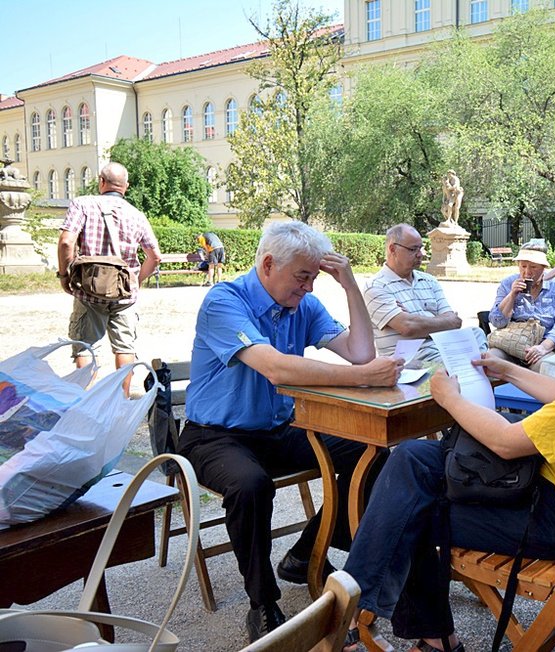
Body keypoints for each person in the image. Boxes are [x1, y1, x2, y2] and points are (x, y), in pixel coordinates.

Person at [341, 228, 555, 652]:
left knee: (413, 507)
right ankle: (365, 614)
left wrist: (448, 398)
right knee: (412, 459)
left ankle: (367, 621)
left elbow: (506, 442)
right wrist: (511, 372)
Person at [176, 222, 404, 643]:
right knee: (249, 484)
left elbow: (361, 353)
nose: (310, 287)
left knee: (372, 451)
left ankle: (305, 554)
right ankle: (262, 602)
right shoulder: (224, 300)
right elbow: (277, 368)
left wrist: (351, 285)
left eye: (315, 276)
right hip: (213, 435)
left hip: (279, 430)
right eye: (303, 276)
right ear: (267, 264)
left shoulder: (303, 305)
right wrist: (361, 379)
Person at [56, 162, 161, 397]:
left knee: (85, 347)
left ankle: (86, 402)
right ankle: (120, 401)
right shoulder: (137, 215)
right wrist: (135, 281)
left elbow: (66, 242)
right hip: (124, 294)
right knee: (124, 347)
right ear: (126, 186)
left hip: (88, 291)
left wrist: (65, 275)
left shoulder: (82, 204)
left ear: (101, 182)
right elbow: (155, 257)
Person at [364, 223, 486, 367]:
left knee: (476, 333)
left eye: (421, 248)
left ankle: (478, 371)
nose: (420, 254)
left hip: (442, 345)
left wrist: (415, 322)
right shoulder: (376, 286)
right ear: (393, 249)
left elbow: (455, 322)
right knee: (474, 363)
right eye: (413, 249)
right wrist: (434, 322)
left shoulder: (429, 280)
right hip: (411, 357)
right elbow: (408, 327)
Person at [487, 239, 555, 371]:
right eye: (523, 266)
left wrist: (542, 348)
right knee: (488, 361)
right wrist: (512, 295)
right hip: (510, 343)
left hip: (541, 345)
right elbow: (497, 322)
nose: (527, 272)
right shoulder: (508, 283)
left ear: (544, 268)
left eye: (533, 267)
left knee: (545, 368)